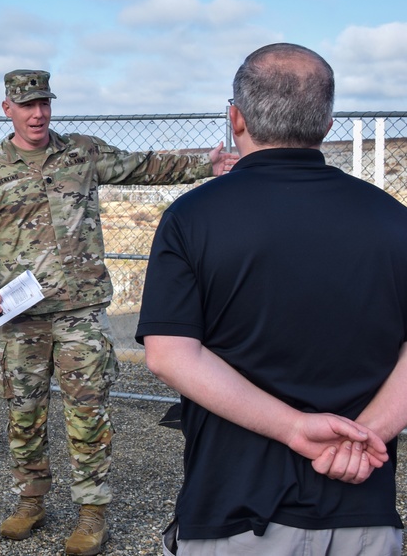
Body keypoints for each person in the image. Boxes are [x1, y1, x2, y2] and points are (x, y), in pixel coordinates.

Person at [137, 43, 407, 555]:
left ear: (235, 119)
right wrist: (364, 436)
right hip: (365, 513)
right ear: (327, 124)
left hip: (236, 514)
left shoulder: (192, 218)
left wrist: (296, 429)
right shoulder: (394, 220)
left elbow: (169, 353)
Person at [0, 69, 236, 555]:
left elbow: (141, 165)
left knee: (87, 413)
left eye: (43, 103)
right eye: (27, 105)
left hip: (79, 314)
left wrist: (204, 164)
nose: (38, 113)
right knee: (24, 414)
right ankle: (31, 500)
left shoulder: (80, 152)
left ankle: (91, 514)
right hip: (20, 319)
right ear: (8, 110)